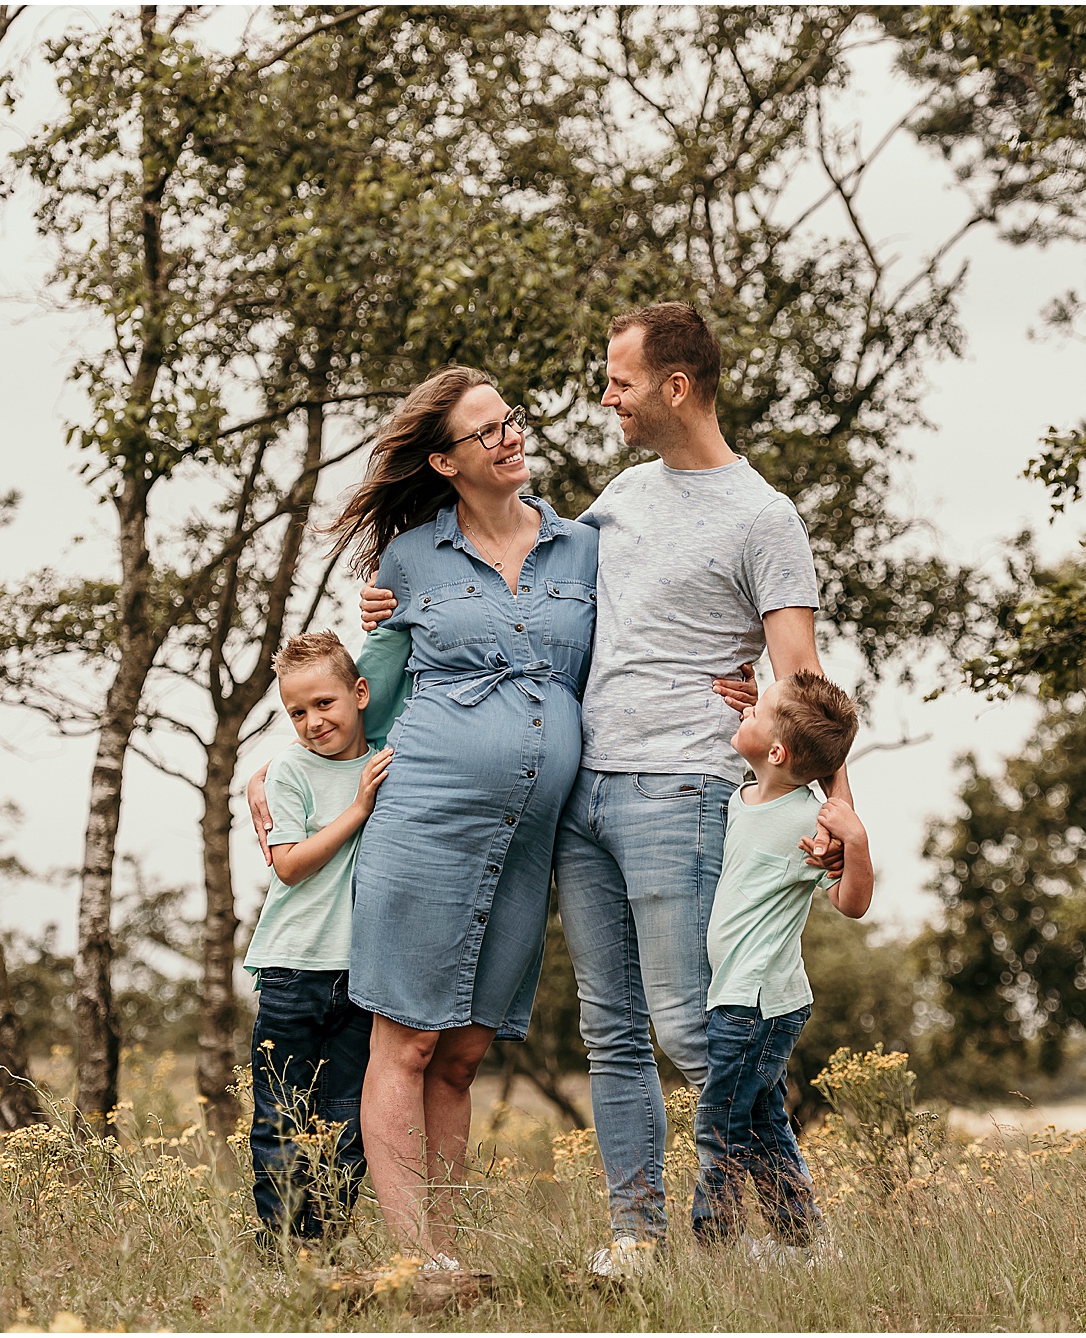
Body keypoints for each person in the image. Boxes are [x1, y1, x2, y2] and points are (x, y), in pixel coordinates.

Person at [354, 302, 867, 1267]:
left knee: (692, 1025)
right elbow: (517, 571)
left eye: (620, 381)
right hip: (581, 799)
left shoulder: (766, 517)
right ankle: (636, 1235)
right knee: (613, 1038)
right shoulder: (617, 502)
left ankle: (794, 1233)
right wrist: (387, 602)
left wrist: (835, 802)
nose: (604, 398)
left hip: (682, 788)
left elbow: (803, 681)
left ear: (675, 387)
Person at [317, 365, 599, 1268]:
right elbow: (370, 688)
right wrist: (289, 768)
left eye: (510, 419)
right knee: (406, 1041)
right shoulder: (408, 563)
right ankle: (418, 1262)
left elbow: (625, 665)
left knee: (466, 1051)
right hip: (427, 819)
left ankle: (446, 1250)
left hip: (526, 838)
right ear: (443, 461)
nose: (511, 436)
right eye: (487, 431)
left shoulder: (583, 549)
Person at [692, 671, 869, 1257]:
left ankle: (714, 1250)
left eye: (758, 708)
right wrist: (762, 697)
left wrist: (856, 841)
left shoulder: (808, 823)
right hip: (738, 995)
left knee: (720, 1124)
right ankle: (804, 1243)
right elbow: (782, 733)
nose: (748, 708)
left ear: (776, 751)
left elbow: (852, 903)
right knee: (764, 1121)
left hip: (758, 1003)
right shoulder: (746, 798)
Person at [242, 631, 393, 1253]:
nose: (312, 722)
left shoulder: (390, 758)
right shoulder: (287, 772)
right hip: (293, 966)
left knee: (345, 1118)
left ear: (360, 694)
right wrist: (358, 809)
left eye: (324, 704)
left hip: (364, 973)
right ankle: (280, 1243)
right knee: (279, 1113)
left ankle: (323, 1238)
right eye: (296, 712)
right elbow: (289, 864)